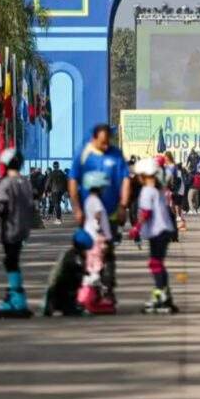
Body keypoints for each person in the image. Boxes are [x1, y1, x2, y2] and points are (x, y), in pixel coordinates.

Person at [67, 124, 130, 304]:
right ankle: (89, 289)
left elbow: (125, 180)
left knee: (107, 251)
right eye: (102, 142)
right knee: (88, 253)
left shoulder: (116, 154)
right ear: (94, 138)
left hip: (110, 214)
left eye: (107, 141)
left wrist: (123, 206)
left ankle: (108, 290)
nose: (105, 146)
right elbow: (72, 181)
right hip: (87, 214)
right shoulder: (83, 154)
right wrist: (77, 208)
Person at [129, 157, 178, 314]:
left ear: (143, 175)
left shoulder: (147, 191)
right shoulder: (159, 189)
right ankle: (165, 294)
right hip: (165, 231)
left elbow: (145, 212)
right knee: (158, 263)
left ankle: (160, 296)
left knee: (155, 263)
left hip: (157, 232)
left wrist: (136, 228)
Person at [0, 148, 35, 318]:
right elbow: (32, 205)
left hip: (9, 228)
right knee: (13, 259)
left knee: (10, 261)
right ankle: (13, 293)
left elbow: (2, 207)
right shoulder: (25, 182)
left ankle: (16, 297)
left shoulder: (6, 183)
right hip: (23, 229)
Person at [76, 170, 116, 315]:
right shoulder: (96, 201)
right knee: (97, 270)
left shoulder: (89, 200)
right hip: (97, 240)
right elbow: (98, 217)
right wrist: (100, 234)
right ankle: (91, 298)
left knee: (93, 269)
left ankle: (89, 297)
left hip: (91, 239)